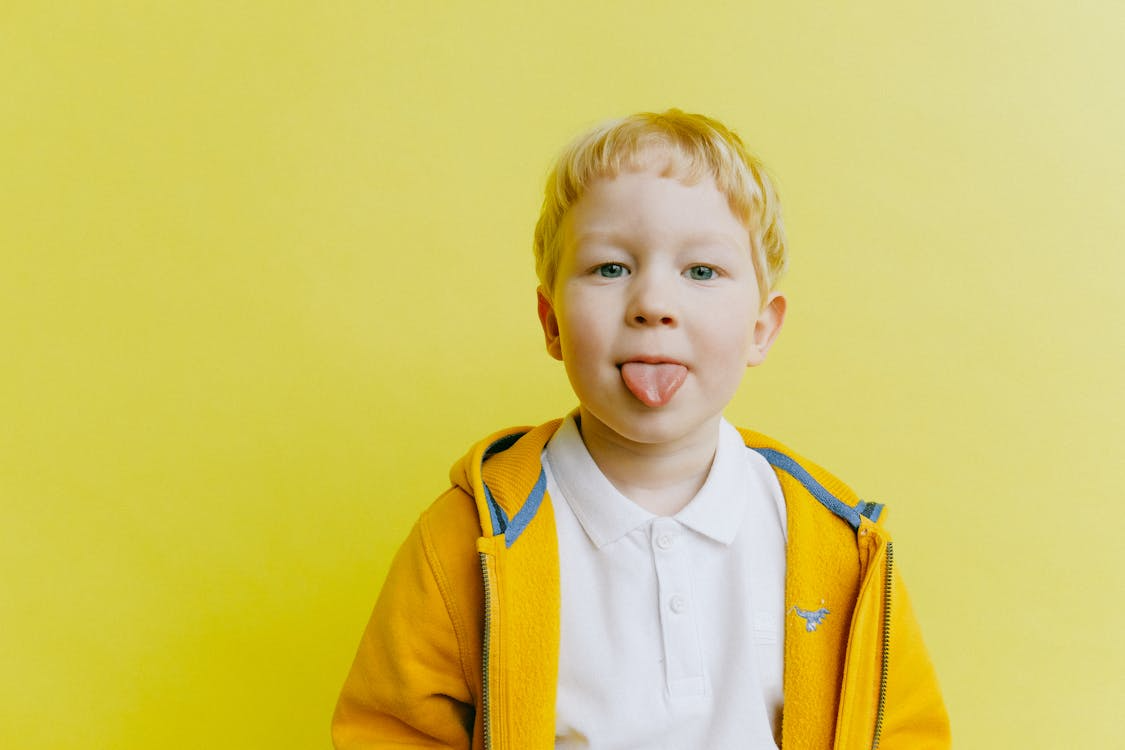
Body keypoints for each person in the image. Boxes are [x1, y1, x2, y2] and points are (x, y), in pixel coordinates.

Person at [331, 109, 950, 749]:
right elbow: (389, 732)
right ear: (551, 322)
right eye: (610, 269)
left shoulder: (837, 542)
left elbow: (905, 733)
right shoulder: (468, 538)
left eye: (701, 272)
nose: (653, 303)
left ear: (761, 329)